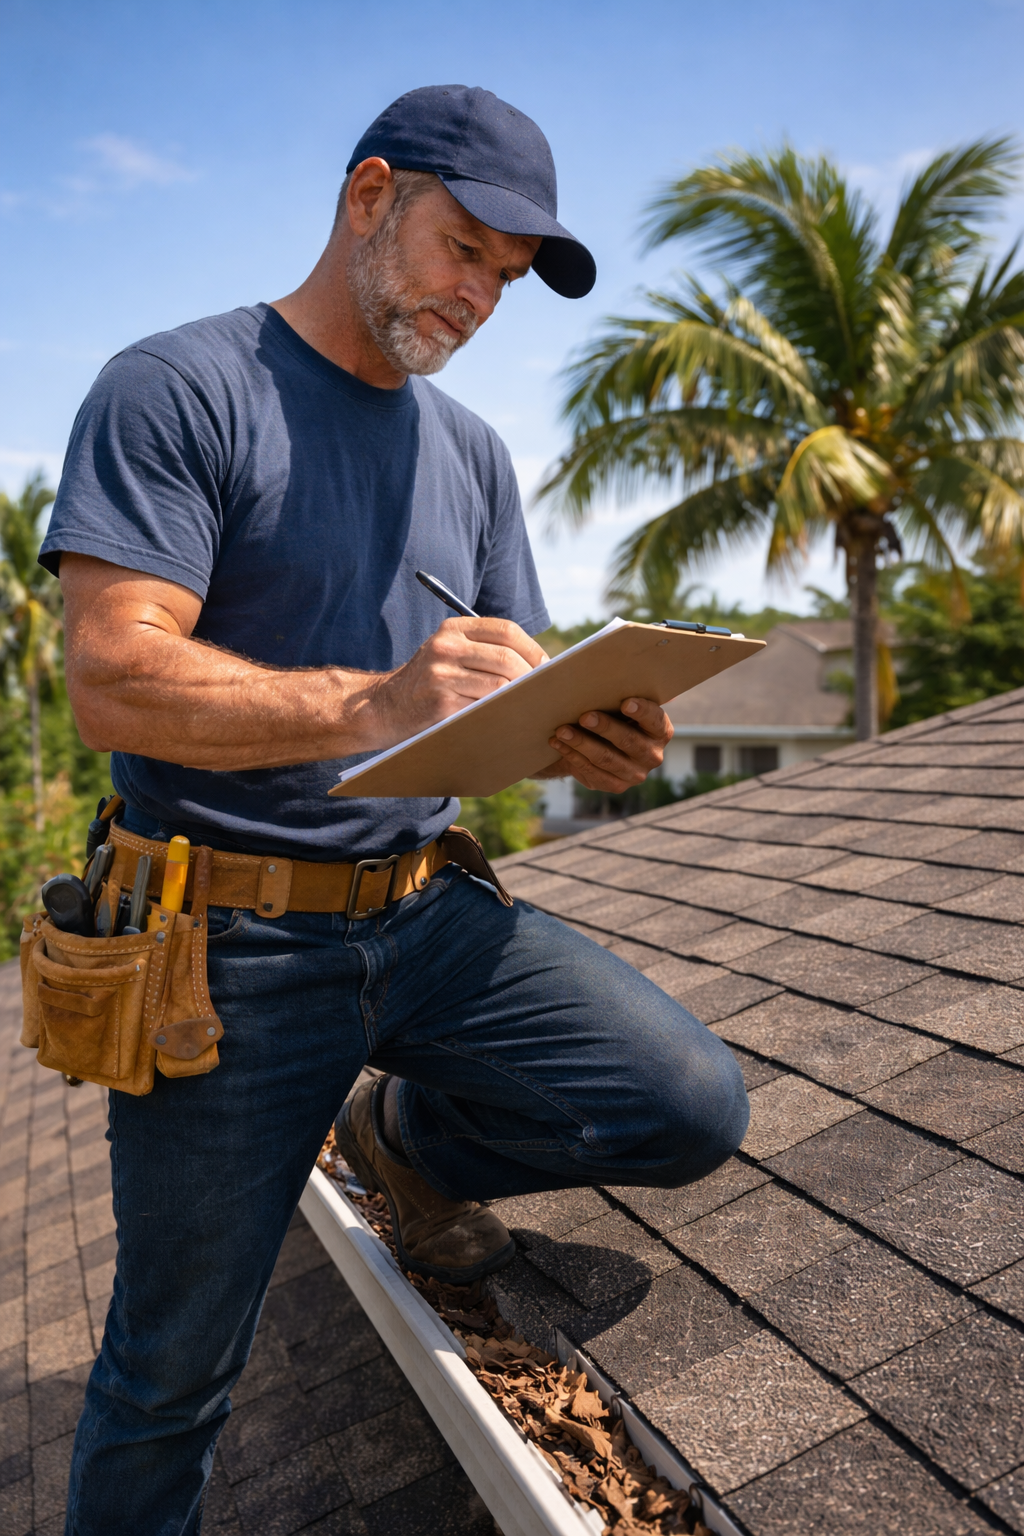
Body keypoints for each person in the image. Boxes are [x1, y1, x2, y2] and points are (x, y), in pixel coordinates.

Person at [43, 85, 749, 1535]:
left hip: (426, 917)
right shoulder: (177, 388)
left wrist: (583, 739)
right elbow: (113, 684)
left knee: (687, 1105)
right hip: (219, 955)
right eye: (465, 246)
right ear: (370, 197)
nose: (482, 294)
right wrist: (369, 703)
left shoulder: (472, 455)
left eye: (505, 275)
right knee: (172, 1374)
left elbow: (478, 725)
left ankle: (405, 1144)